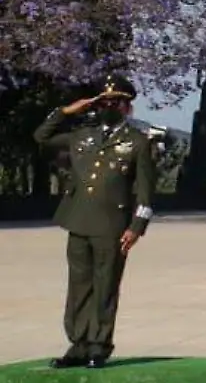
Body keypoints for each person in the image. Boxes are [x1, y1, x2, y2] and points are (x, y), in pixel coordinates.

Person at [33, 75, 156, 370]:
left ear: (127, 107)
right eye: (104, 102)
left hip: (113, 227)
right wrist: (67, 111)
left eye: (116, 102)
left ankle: (98, 346)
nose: (108, 106)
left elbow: (146, 191)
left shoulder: (138, 142)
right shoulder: (81, 135)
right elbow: (41, 137)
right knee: (78, 286)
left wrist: (136, 227)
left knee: (105, 287)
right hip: (78, 221)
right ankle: (78, 344)